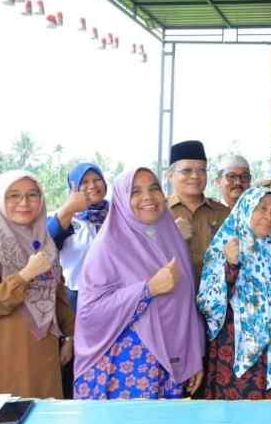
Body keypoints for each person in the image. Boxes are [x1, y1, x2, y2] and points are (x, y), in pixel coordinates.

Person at [72, 168, 205, 400]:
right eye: (136, 191)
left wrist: (193, 356)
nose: (148, 197)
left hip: (169, 364)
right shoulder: (108, 246)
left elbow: (187, 304)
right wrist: (148, 289)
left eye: (154, 188)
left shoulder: (171, 238)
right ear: (122, 199)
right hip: (124, 367)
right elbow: (89, 313)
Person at [0, 170, 74, 397]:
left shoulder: (44, 242)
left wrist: (70, 336)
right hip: (0, 353)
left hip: (43, 352)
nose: (24, 203)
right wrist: (24, 276)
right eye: (13, 196)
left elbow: (58, 294)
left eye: (32, 195)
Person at [197, 187, 271, 400]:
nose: (268, 217)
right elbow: (207, 303)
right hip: (237, 351)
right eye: (262, 208)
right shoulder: (225, 245)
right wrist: (230, 266)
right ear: (246, 209)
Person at [46, 162, 109, 398]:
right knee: (73, 361)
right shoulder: (64, 218)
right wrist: (67, 210)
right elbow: (45, 244)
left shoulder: (117, 215)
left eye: (97, 180)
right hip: (76, 299)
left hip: (112, 299)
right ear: (73, 187)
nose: (92, 186)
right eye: (84, 182)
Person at [167, 140, 230, 281]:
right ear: (170, 175)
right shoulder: (158, 213)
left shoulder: (224, 214)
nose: (195, 176)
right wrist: (172, 237)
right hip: (172, 298)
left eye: (201, 170)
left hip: (215, 298)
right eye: (186, 170)